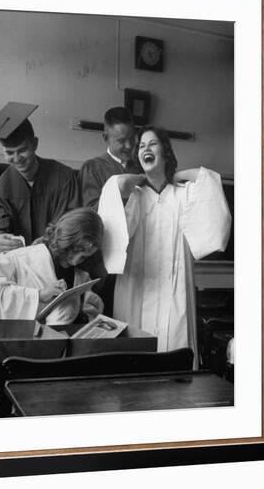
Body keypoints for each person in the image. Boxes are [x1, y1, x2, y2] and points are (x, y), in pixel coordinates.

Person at [98, 126, 232, 367]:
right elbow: (114, 202)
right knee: (135, 353)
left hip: (174, 286)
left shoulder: (183, 194)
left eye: (152, 144)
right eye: (141, 146)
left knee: (174, 349)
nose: (145, 149)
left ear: (166, 152)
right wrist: (136, 179)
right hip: (138, 285)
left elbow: (208, 183)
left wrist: (179, 175)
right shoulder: (135, 195)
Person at [0, 102, 79, 262]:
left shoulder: (64, 177)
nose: (17, 158)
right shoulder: (1, 188)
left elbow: (71, 218)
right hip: (20, 267)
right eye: (9, 153)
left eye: (22, 150)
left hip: (56, 264)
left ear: (35, 144)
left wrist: (49, 241)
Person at [0, 208, 105, 325]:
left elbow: (90, 307)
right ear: (64, 239)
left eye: (83, 257)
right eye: (74, 250)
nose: (75, 261)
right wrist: (38, 295)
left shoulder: (80, 275)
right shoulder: (16, 260)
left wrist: (83, 311)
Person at [78, 106, 142, 211]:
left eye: (132, 138)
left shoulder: (140, 166)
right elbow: (89, 213)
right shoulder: (92, 169)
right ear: (105, 138)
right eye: (121, 141)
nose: (129, 145)